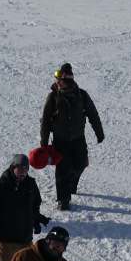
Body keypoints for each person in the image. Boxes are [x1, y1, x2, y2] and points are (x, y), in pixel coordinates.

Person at [39, 63, 104, 211]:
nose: (57, 82)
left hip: (78, 139)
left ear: (66, 80)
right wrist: (44, 141)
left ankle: (72, 183)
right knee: (62, 170)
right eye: (57, 79)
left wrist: (99, 132)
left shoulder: (82, 95)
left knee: (81, 164)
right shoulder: (53, 97)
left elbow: (93, 114)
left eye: (59, 79)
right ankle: (63, 199)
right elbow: (45, 120)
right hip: (60, 141)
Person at [0, 154, 50, 261]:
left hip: (25, 238)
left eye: (25, 169)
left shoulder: (30, 184)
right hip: (5, 241)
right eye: (19, 169)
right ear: (12, 167)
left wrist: (35, 220)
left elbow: (35, 205)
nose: (22, 173)